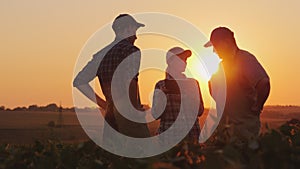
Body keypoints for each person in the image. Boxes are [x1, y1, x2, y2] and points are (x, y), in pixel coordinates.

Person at [73, 14, 150, 138]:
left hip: (110, 117)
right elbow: (129, 80)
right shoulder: (131, 50)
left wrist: (104, 104)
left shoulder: (101, 55)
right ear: (127, 28)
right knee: (141, 153)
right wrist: (134, 110)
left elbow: (79, 81)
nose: (136, 36)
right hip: (128, 115)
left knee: (112, 154)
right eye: (135, 30)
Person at [204, 27, 270, 143]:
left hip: (244, 130)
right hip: (225, 130)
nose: (214, 51)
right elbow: (211, 85)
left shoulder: (245, 59)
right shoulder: (222, 65)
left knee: (243, 159)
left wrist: (258, 106)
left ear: (226, 43)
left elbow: (264, 83)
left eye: (216, 46)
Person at [152, 47, 204, 144]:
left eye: (185, 59)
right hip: (169, 138)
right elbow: (155, 114)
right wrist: (162, 97)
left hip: (192, 136)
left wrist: (192, 95)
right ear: (171, 62)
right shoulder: (161, 85)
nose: (185, 62)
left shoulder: (193, 83)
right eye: (181, 59)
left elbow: (200, 111)